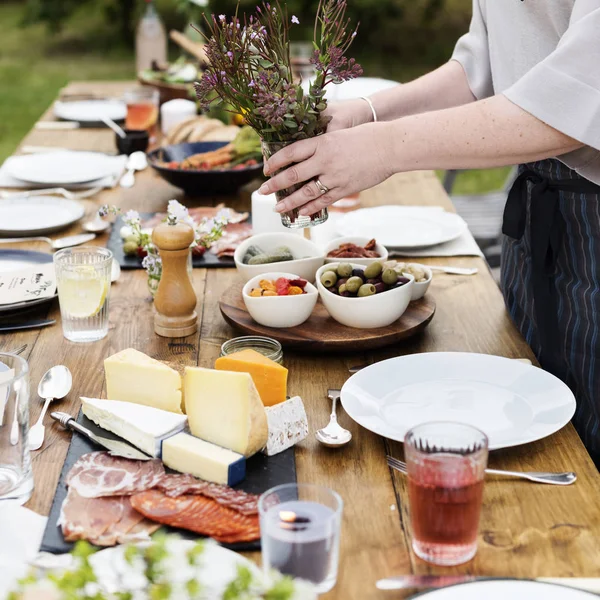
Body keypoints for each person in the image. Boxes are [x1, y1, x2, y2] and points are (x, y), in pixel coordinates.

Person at [258, 1, 600, 463]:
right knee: (534, 430)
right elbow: (483, 69)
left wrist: (384, 148)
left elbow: (572, 101)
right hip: (538, 216)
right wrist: (369, 113)